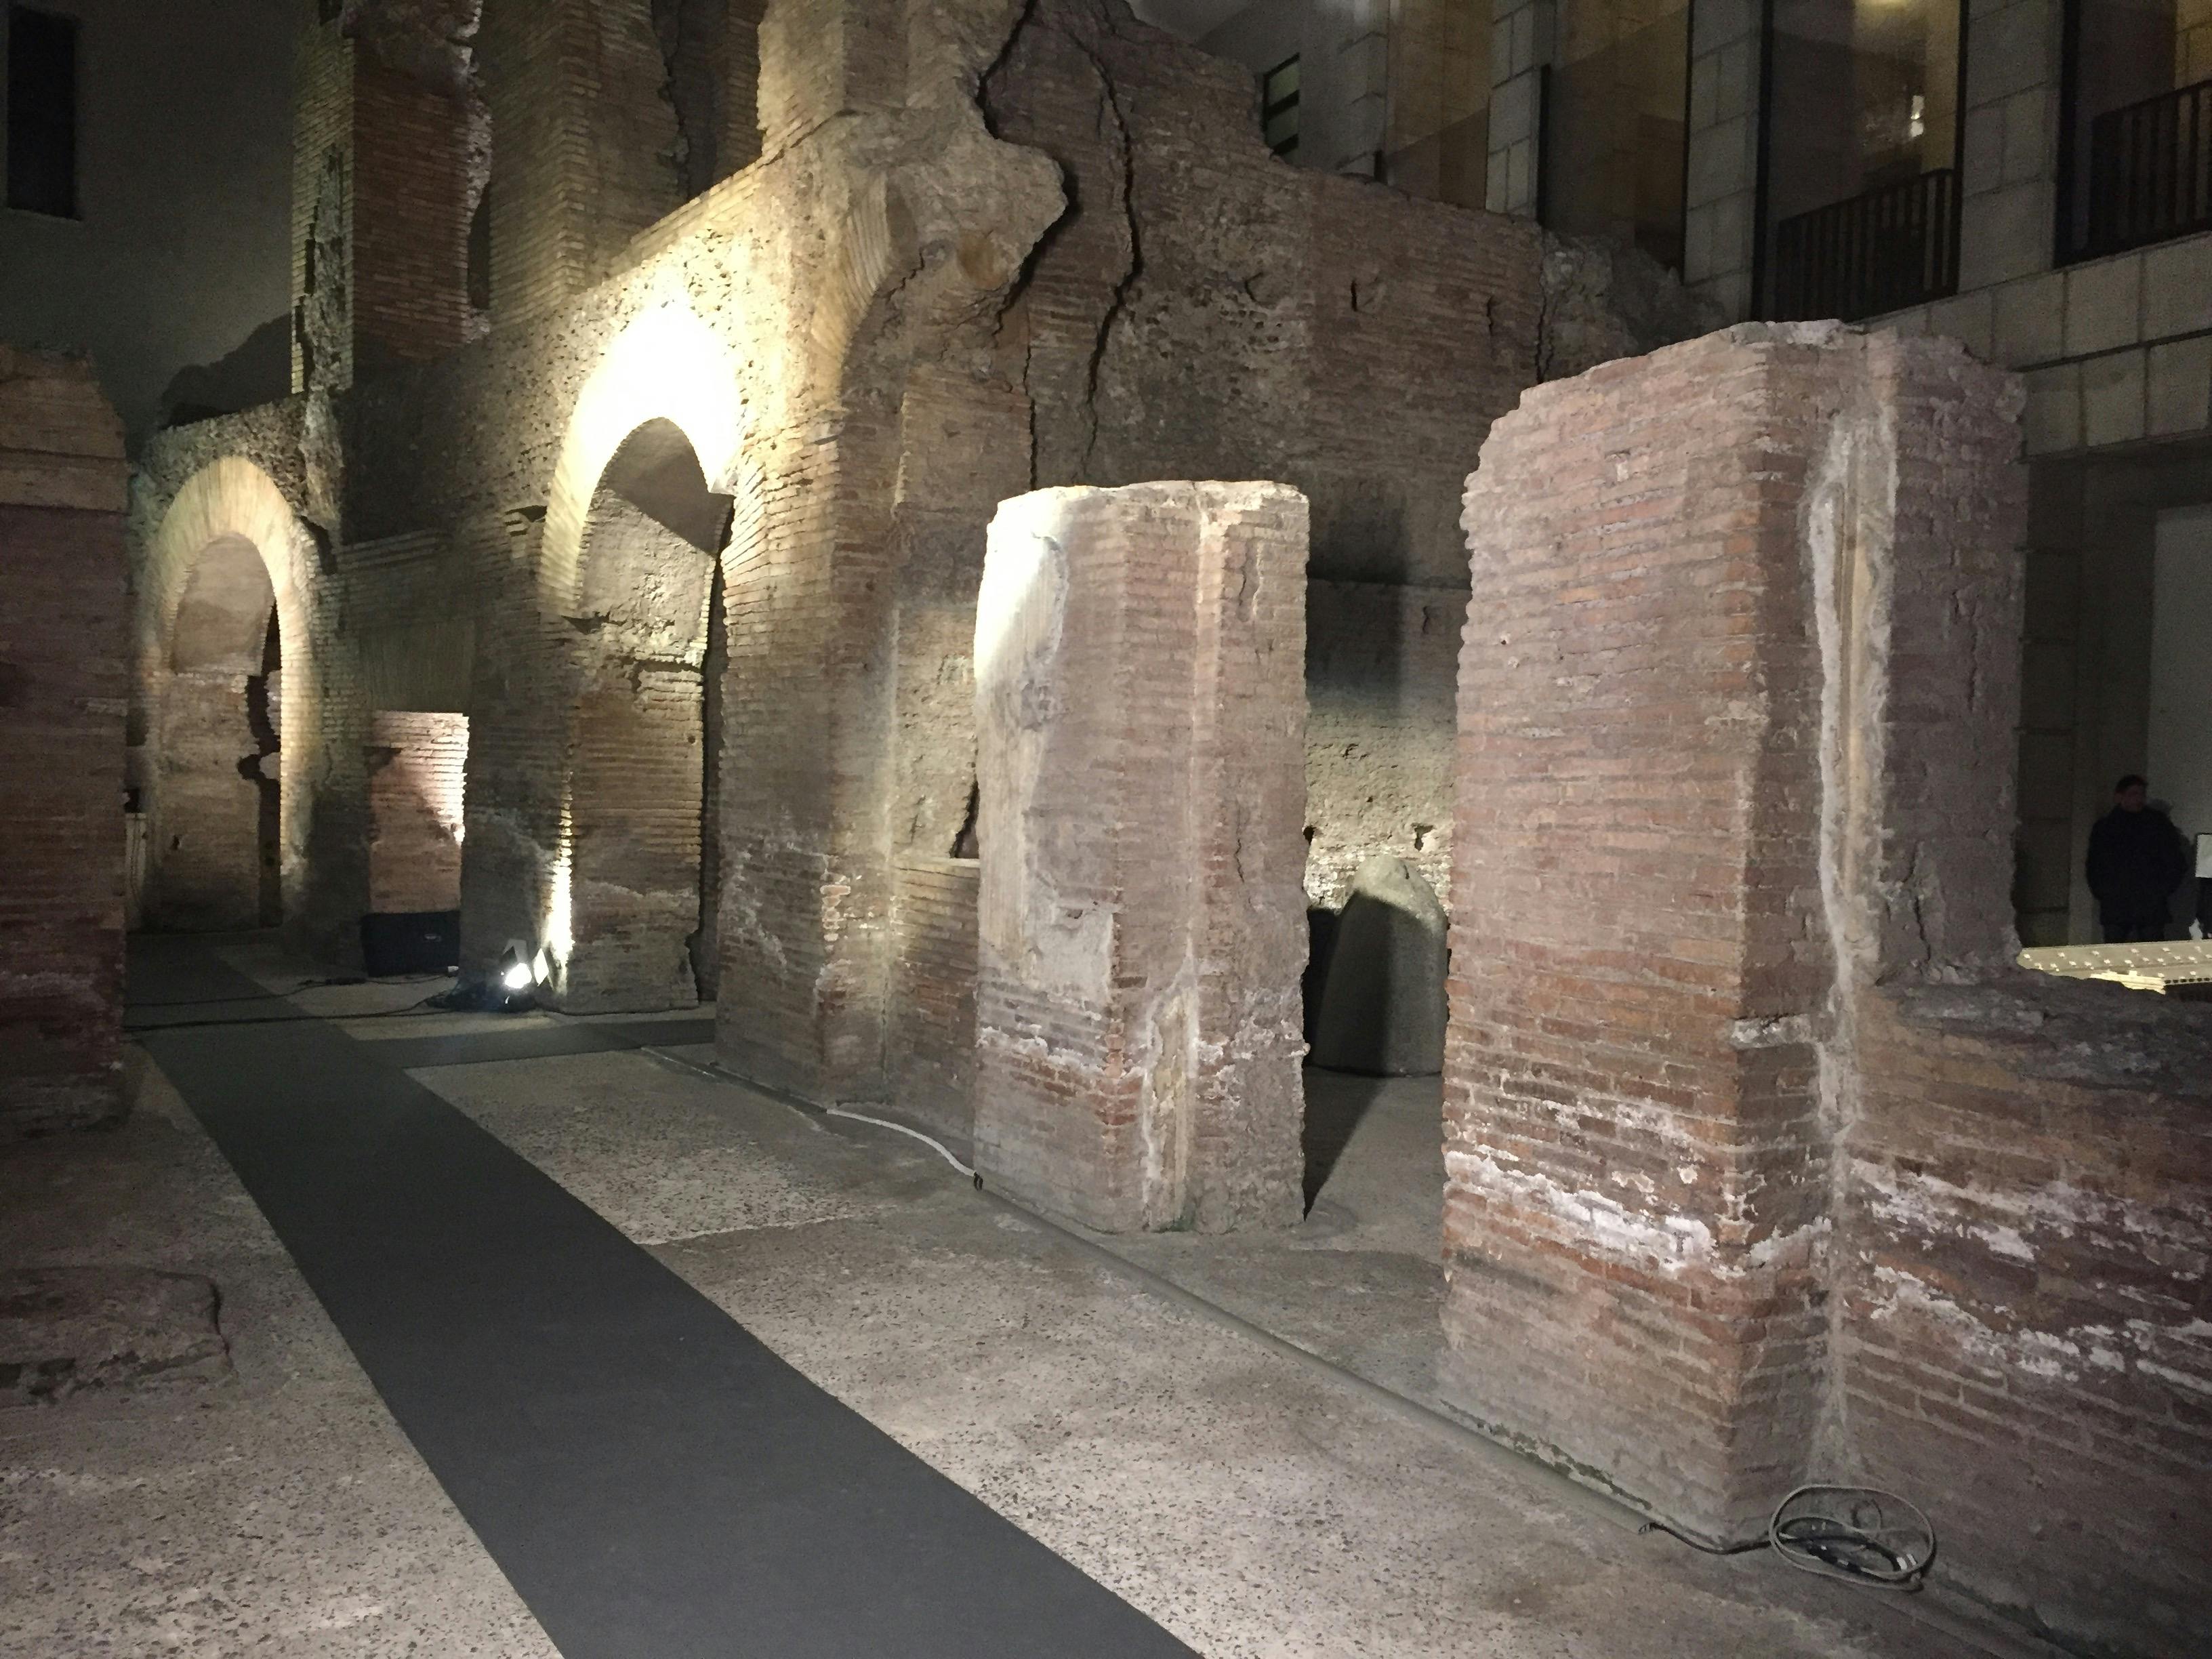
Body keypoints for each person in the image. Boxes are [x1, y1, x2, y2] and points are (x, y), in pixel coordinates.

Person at [2085, 775, 2189, 943]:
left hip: (2148, 901)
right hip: (2118, 902)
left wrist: (2162, 890)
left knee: (2151, 953)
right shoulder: (2106, 827)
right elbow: (2095, 865)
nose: (2139, 799)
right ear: (2119, 797)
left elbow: (2175, 861)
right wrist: (2104, 892)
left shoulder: (2157, 824)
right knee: (2116, 954)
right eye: (2134, 794)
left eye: (2141, 795)